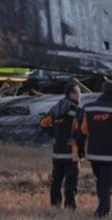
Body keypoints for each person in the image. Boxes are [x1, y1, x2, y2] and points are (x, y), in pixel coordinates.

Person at [76, 79, 112, 217]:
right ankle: (103, 212)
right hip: (110, 154)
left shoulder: (88, 108)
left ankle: (102, 208)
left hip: (93, 154)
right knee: (106, 184)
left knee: (100, 182)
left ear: (103, 91)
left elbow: (82, 131)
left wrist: (80, 148)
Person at [39, 81, 82, 209]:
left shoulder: (55, 109)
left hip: (57, 152)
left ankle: (55, 205)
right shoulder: (76, 111)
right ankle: (69, 207)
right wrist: (76, 140)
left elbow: (43, 123)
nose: (81, 96)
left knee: (56, 181)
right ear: (72, 94)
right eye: (79, 93)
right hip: (71, 153)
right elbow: (82, 130)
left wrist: (56, 134)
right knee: (71, 181)